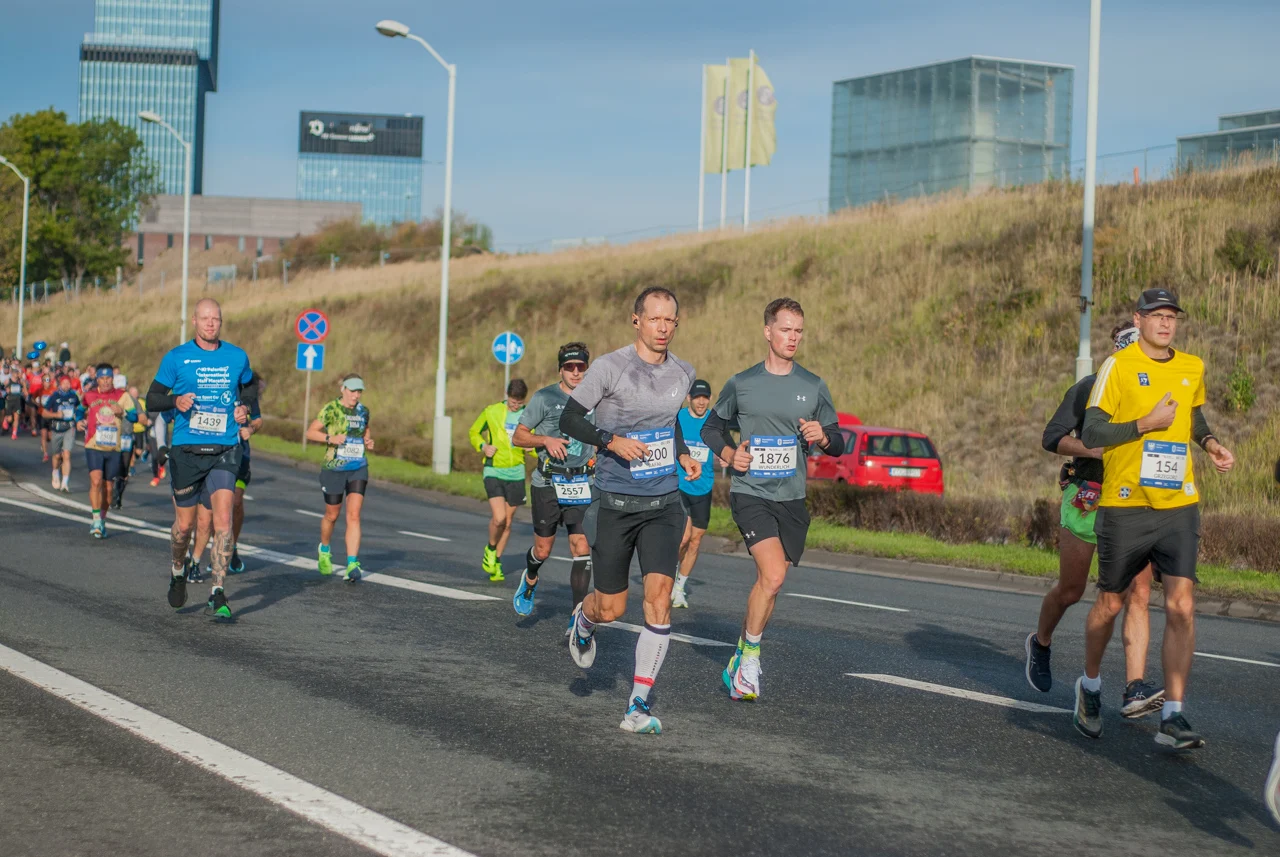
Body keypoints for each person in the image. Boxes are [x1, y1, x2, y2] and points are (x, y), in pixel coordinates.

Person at [1074, 288, 1234, 749]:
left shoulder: (1192, 367)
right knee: (1111, 604)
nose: (1165, 323)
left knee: (1182, 605)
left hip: (1178, 504)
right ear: (1138, 320)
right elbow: (1092, 431)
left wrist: (1210, 444)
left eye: (1171, 316)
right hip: (1125, 504)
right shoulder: (1117, 366)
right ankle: (1089, 687)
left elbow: (1192, 415)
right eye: (1156, 315)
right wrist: (1145, 424)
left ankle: (1173, 714)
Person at [558, 286, 701, 734]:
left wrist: (682, 454)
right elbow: (569, 419)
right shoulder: (609, 367)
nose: (663, 328)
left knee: (659, 602)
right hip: (615, 503)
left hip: (663, 504)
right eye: (654, 319)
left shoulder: (683, 372)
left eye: (670, 320)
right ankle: (584, 620)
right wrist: (610, 441)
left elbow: (669, 423)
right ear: (636, 320)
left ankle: (637, 705)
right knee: (612, 608)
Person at [701, 298, 843, 702]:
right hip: (751, 493)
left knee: (771, 583)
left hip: (792, 497)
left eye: (798, 331)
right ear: (768, 332)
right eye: (785, 330)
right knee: (774, 575)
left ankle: (740, 653)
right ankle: (749, 660)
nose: (793, 337)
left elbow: (837, 443)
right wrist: (730, 455)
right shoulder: (742, 383)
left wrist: (823, 436)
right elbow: (711, 429)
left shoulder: (813, 385)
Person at [1026, 322, 1164, 719]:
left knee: (1138, 594)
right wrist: (1097, 449)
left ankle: (1134, 687)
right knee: (1071, 590)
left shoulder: (1160, 392)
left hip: (1136, 503)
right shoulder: (1089, 387)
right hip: (1089, 496)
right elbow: (1052, 437)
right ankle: (1041, 643)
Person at [146, 298, 256, 620]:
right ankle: (178, 569)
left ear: (221, 321)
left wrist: (245, 408)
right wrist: (175, 401)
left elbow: (249, 388)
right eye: (205, 318)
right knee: (185, 526)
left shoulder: (237, 356)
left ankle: (217, 590)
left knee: (223, 522)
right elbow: (152, 399)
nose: (210, 324)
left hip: (225, 449)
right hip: (186, 450)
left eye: (216, 319)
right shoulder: (176, 357)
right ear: (194, 321)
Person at [510, 343, 595, 621]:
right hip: (548, 482)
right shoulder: (544, 398)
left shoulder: (595, 398)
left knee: (581, 547)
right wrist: (545, 440)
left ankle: (578, 615)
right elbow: (518, 437)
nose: (575, 372)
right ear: (561, 370)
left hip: (582, 483)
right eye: (569, 367)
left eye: (580, 366)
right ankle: (530, 578)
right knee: (543, 549)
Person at [305, 374, 373, 582]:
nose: (356, 395)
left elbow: (365, 431)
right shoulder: (331, 409)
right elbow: (310, 432)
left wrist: (368, 441)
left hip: (358, 467)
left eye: (359, 391)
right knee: (332, 515)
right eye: (352, 391)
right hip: (334, 469)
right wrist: (330, 438)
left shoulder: (363, 411)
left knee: (354, 515)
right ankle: (325, 549)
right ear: (343, 389)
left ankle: (352, 563)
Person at [469, 380, 535, 582]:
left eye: (519, 403)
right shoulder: (492, 411)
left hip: (516, 473)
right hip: (494, 470)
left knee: (507, 523)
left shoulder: (529, 415)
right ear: (507, 396)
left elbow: (535, 444)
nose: (516, 406)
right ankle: (490, 548)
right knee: (499, 518)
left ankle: (496, 561)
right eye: (513, 402)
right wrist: (483, 446)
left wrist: (532, 448)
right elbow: (474, 432)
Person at [672, 379, 719, 609]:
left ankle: (679, 588)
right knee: (683, 538)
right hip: (680, 485)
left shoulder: (714, 420)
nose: (701, 402)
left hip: (704, 487)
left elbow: (725, 444)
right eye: (697, 397)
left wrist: (728, 455)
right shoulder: (678, 417)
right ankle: (668, 578)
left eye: (705, 397)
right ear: (688, 398)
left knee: (696, 540)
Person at [79, 364, 137, 538]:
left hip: (113, 447)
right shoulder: (90, 394)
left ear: (113, 379)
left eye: (108, 378)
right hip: (93, 445)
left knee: (108, 489)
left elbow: (135, 416)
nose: (105, 381)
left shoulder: (122, 395)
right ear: (97, 379)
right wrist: (78, 420)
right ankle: (96, 519)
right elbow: (80, 409)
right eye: (102, 378)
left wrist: (123, 412)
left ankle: (102, 519)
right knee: (96, 481)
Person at [41, 374, 80, 491]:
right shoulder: (54, 396)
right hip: (57, 428)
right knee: (57, 456)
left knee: (66, 454)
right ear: (60, 384)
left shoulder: (74, 396)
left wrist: (79, 418)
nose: (66, 385)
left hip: (69, 428)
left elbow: (79, 409)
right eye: (64, 383)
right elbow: (44, 413)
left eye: (68, 383)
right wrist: (55, 415)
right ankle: (55, 472)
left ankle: (65, 483)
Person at [3, 367, 25, 438]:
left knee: (16, 418)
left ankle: (14, 433)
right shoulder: (8, 381)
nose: (16, 374)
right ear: (12, 374)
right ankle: (6, 419)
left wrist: (24, 387)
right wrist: (6, 394)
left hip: (17, 402)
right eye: (15, 373)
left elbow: (23, 389)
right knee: (10, 419)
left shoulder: (20, 381)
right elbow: (3, 389)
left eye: (17, 373)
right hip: (10, 402)